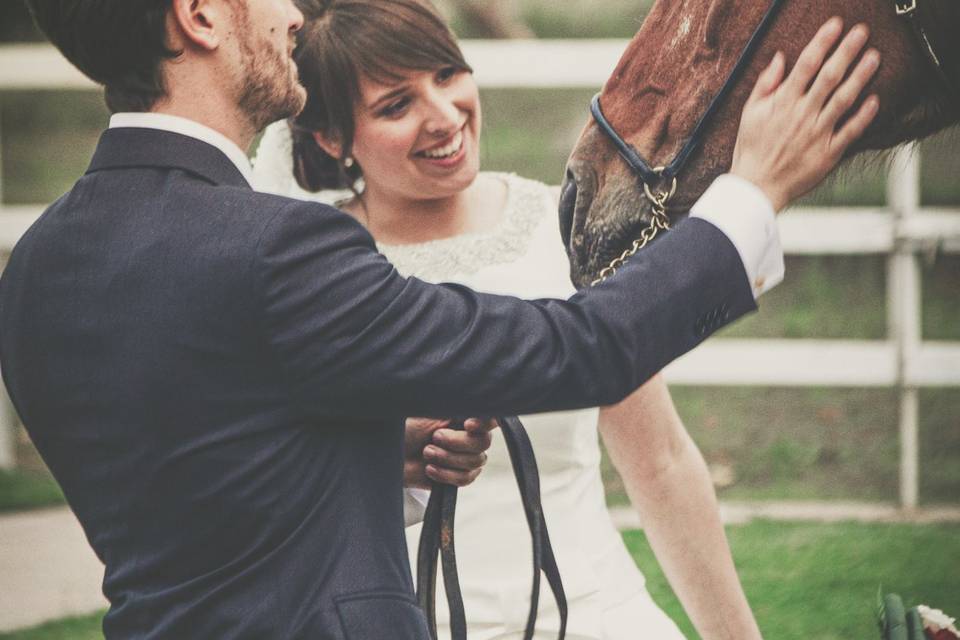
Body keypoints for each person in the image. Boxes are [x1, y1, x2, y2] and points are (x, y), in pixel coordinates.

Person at [0, 0, 879, 637]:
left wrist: (380, 450)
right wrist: (752, 196)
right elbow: (578, 346)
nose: (292, 19)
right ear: (198, 15)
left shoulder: (39, 267)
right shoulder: (278, 248)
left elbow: (200, 469)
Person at [251, 0, 773, 637]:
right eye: (396, 105)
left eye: (447, 74)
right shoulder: (309, 268)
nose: (444, 117)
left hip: (591, 615)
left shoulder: (563, 230)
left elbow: (660, 460)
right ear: (332, 137)